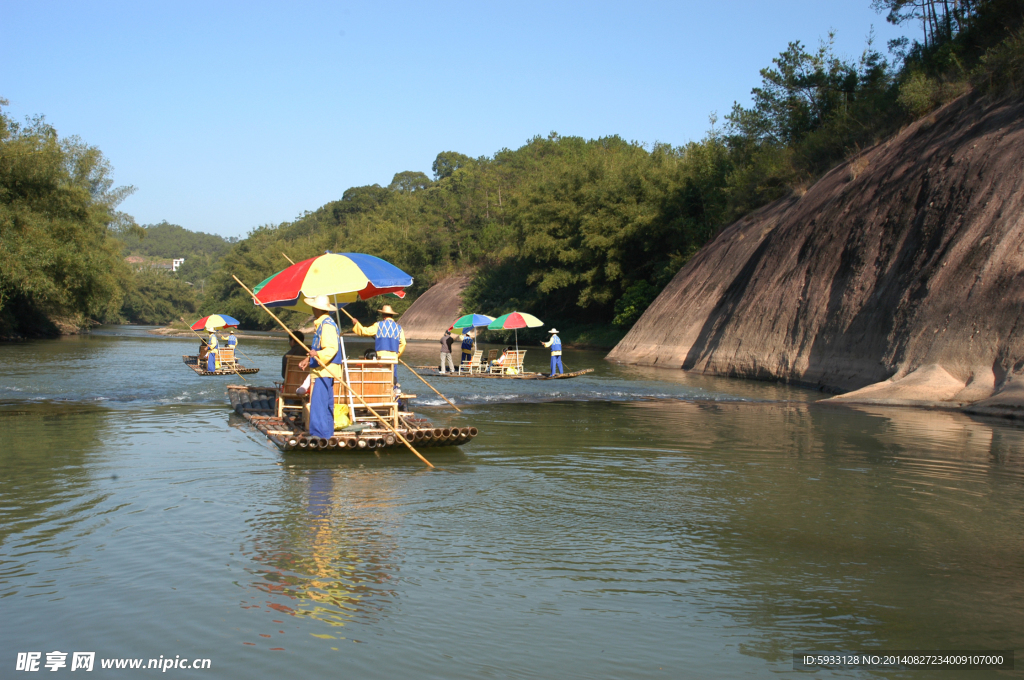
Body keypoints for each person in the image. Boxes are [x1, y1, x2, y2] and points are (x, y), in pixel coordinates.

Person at [298, 296, 342, 439]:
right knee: (326, 403)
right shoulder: (322, 324)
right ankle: (327, 433)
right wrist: (308, 358)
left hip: (325, 369)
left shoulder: (327, 325)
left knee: (318, 403)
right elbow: (318, 348)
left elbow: (331, 348)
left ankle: (318, 434)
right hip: (323, 369)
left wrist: (317, 354)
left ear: (317, 309)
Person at [351, 304, 406, 381]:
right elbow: (403, 343)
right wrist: (397, 355)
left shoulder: (379, 325)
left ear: (383, 315)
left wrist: (356, 324)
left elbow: (365, 331)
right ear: (392, 315)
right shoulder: (399, 328)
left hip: (381, 357)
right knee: (392, 377)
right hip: (393, 358)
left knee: (382, 377)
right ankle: (393, 389)